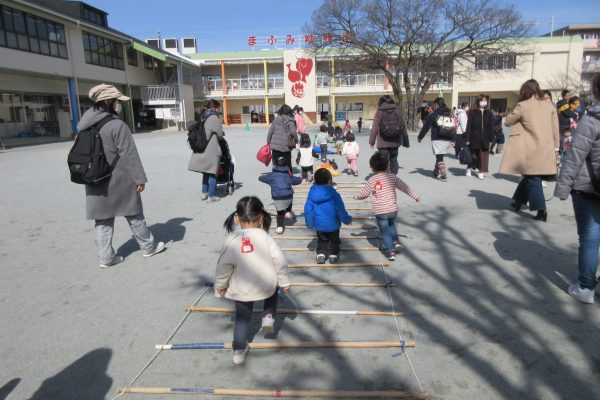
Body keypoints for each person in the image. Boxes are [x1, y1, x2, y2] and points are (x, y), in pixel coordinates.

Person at [80, 84, 165, 268]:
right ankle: (148, 247)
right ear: (109, 102)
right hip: (119, 179)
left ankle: (106, 258)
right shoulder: (117, 125)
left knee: (102, 221)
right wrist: (139, 178)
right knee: (134, 214)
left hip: (94, 179)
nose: (120, 104)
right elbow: (129, 155)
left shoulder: (85, 125)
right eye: (118, 101)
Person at [215, 196, 290, 364]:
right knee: (273, 292)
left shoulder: (232, 240)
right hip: (265, 284)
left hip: (242, 288)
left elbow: (223, 266)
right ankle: (268, 316)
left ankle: (239, 351)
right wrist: (284, 281)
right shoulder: (266, 237)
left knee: (241, 318)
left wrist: (220, 286)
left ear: (236, 218)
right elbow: (280, 260)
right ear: (261, 218)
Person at [554, 74, 600, 304]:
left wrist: (562, 188)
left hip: (589, 186)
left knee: (590, 237)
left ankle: (586, 286)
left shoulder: (591, 120)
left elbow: (574, 156)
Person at [500, 79, 559, 221]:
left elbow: (508, 121)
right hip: (546, 147)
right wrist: (556, 146)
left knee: (533, 177)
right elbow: (555, 128)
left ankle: (541, 209)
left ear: (525, 91)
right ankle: (518, 201)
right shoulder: (550, 105)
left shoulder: (523, 105)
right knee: (530, 175)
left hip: (530, 148)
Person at [354, 153, 420, 261]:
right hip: (393, 209)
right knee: (391, 225)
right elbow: (405, 187)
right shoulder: (392, 177)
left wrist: (356, 196)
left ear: (373, 167)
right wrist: (415, 196)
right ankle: (396, 242)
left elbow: (364, 194)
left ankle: (390, 251)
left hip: (381, 211)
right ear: (387, 166)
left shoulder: (372, 180)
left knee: (384, 231)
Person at [304, 168, 352, 264]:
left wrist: (309, 224)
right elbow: (340, 210)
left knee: (322, 240)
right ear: (330, 180)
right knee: (334, 240)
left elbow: (308, 210)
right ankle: (333, 255)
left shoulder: (312, 194)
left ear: (315, 180)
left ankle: (321, 255)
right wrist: (347, 219)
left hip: (319, 225)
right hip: (333, 224)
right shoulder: (334, 194)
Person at [188, 99, 225, 203]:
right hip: (211, 148)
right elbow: (219, 134)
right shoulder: (213, 117)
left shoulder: (203, 115)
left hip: (203, 147)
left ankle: (204, 193)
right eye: (217, 107)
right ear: (213, 107)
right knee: (213, 172)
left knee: (205, 172)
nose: (218, 109)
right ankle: (211, 196)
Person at [259, 157, 302, 234]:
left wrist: (260, 177)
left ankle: (280, 227)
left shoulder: (272, 175)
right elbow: (296, 180)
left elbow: (263, 178)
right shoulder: (288, 175)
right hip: (288, 197)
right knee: (289, 196)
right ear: (286, 165)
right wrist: (300, 179)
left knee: (280, 213)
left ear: (275, 165)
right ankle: (288, 211)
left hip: (277, 198)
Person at [417, 97, 455, 182]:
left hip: (437, 138)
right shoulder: (449, 114)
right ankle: (435, 171)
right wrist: (453, 139)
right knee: (440, 155)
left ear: (437, 104)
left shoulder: (434, 114)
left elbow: (426, 127)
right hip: (447, 138)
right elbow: (453, 127)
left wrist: (420, 137)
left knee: (439, 157)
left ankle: (444, 175)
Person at [369, 95, 406, 175]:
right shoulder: (397, 110)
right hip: (395, 142)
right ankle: (393, 178)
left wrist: (372, 141)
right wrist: (405, 140)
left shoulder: (379, 112)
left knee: (383, 162)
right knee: (394, 160)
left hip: (383, 143)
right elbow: (402, 125)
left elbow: (374, 128)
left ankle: (384, 179)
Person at [465, 94, 495, 180]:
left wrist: (492, 138)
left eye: (485, 100)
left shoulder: (489, 113)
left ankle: (481, 171)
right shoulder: (473, 112)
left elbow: (491, 127)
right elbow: (468, 126)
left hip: (485, 138)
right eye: (482, 100)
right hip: (474, 137)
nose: (483, 102)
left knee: (484, 156)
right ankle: (469, 168)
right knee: (474, 155)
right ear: (478, 101)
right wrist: (467, 138)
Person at [266, 104, 297, 169]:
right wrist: (296, 140)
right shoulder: (290, 120)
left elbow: (271, 131)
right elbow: (293, 132)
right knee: (288, 162)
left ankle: (276, 175)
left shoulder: (276, 119)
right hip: (286, 145)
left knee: (276, 163)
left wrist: (268, 141)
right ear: (289, 111)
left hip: (275, 146)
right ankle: (289, 175)